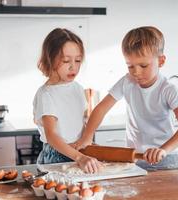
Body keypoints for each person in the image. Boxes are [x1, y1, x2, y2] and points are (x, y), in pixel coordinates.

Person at [74, 26, 178, 168]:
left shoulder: (168, 89)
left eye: (143, 65)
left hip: (164, 158)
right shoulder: (127, 82)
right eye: (130, 66)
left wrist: (163, 150)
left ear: (161, 61)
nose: (136, 72)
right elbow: (101, 109)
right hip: (133, 156)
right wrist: (87, 137)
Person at [33, 28, 102, 173]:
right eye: (66, 61)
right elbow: (52, 136)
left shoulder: (77, 88)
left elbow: (80, 122)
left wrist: (87, 143)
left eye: (78, 60)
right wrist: (79, 157)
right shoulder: (46, 94)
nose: (73, 67)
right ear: (50, 59)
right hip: (57, 155)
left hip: (78, 153)